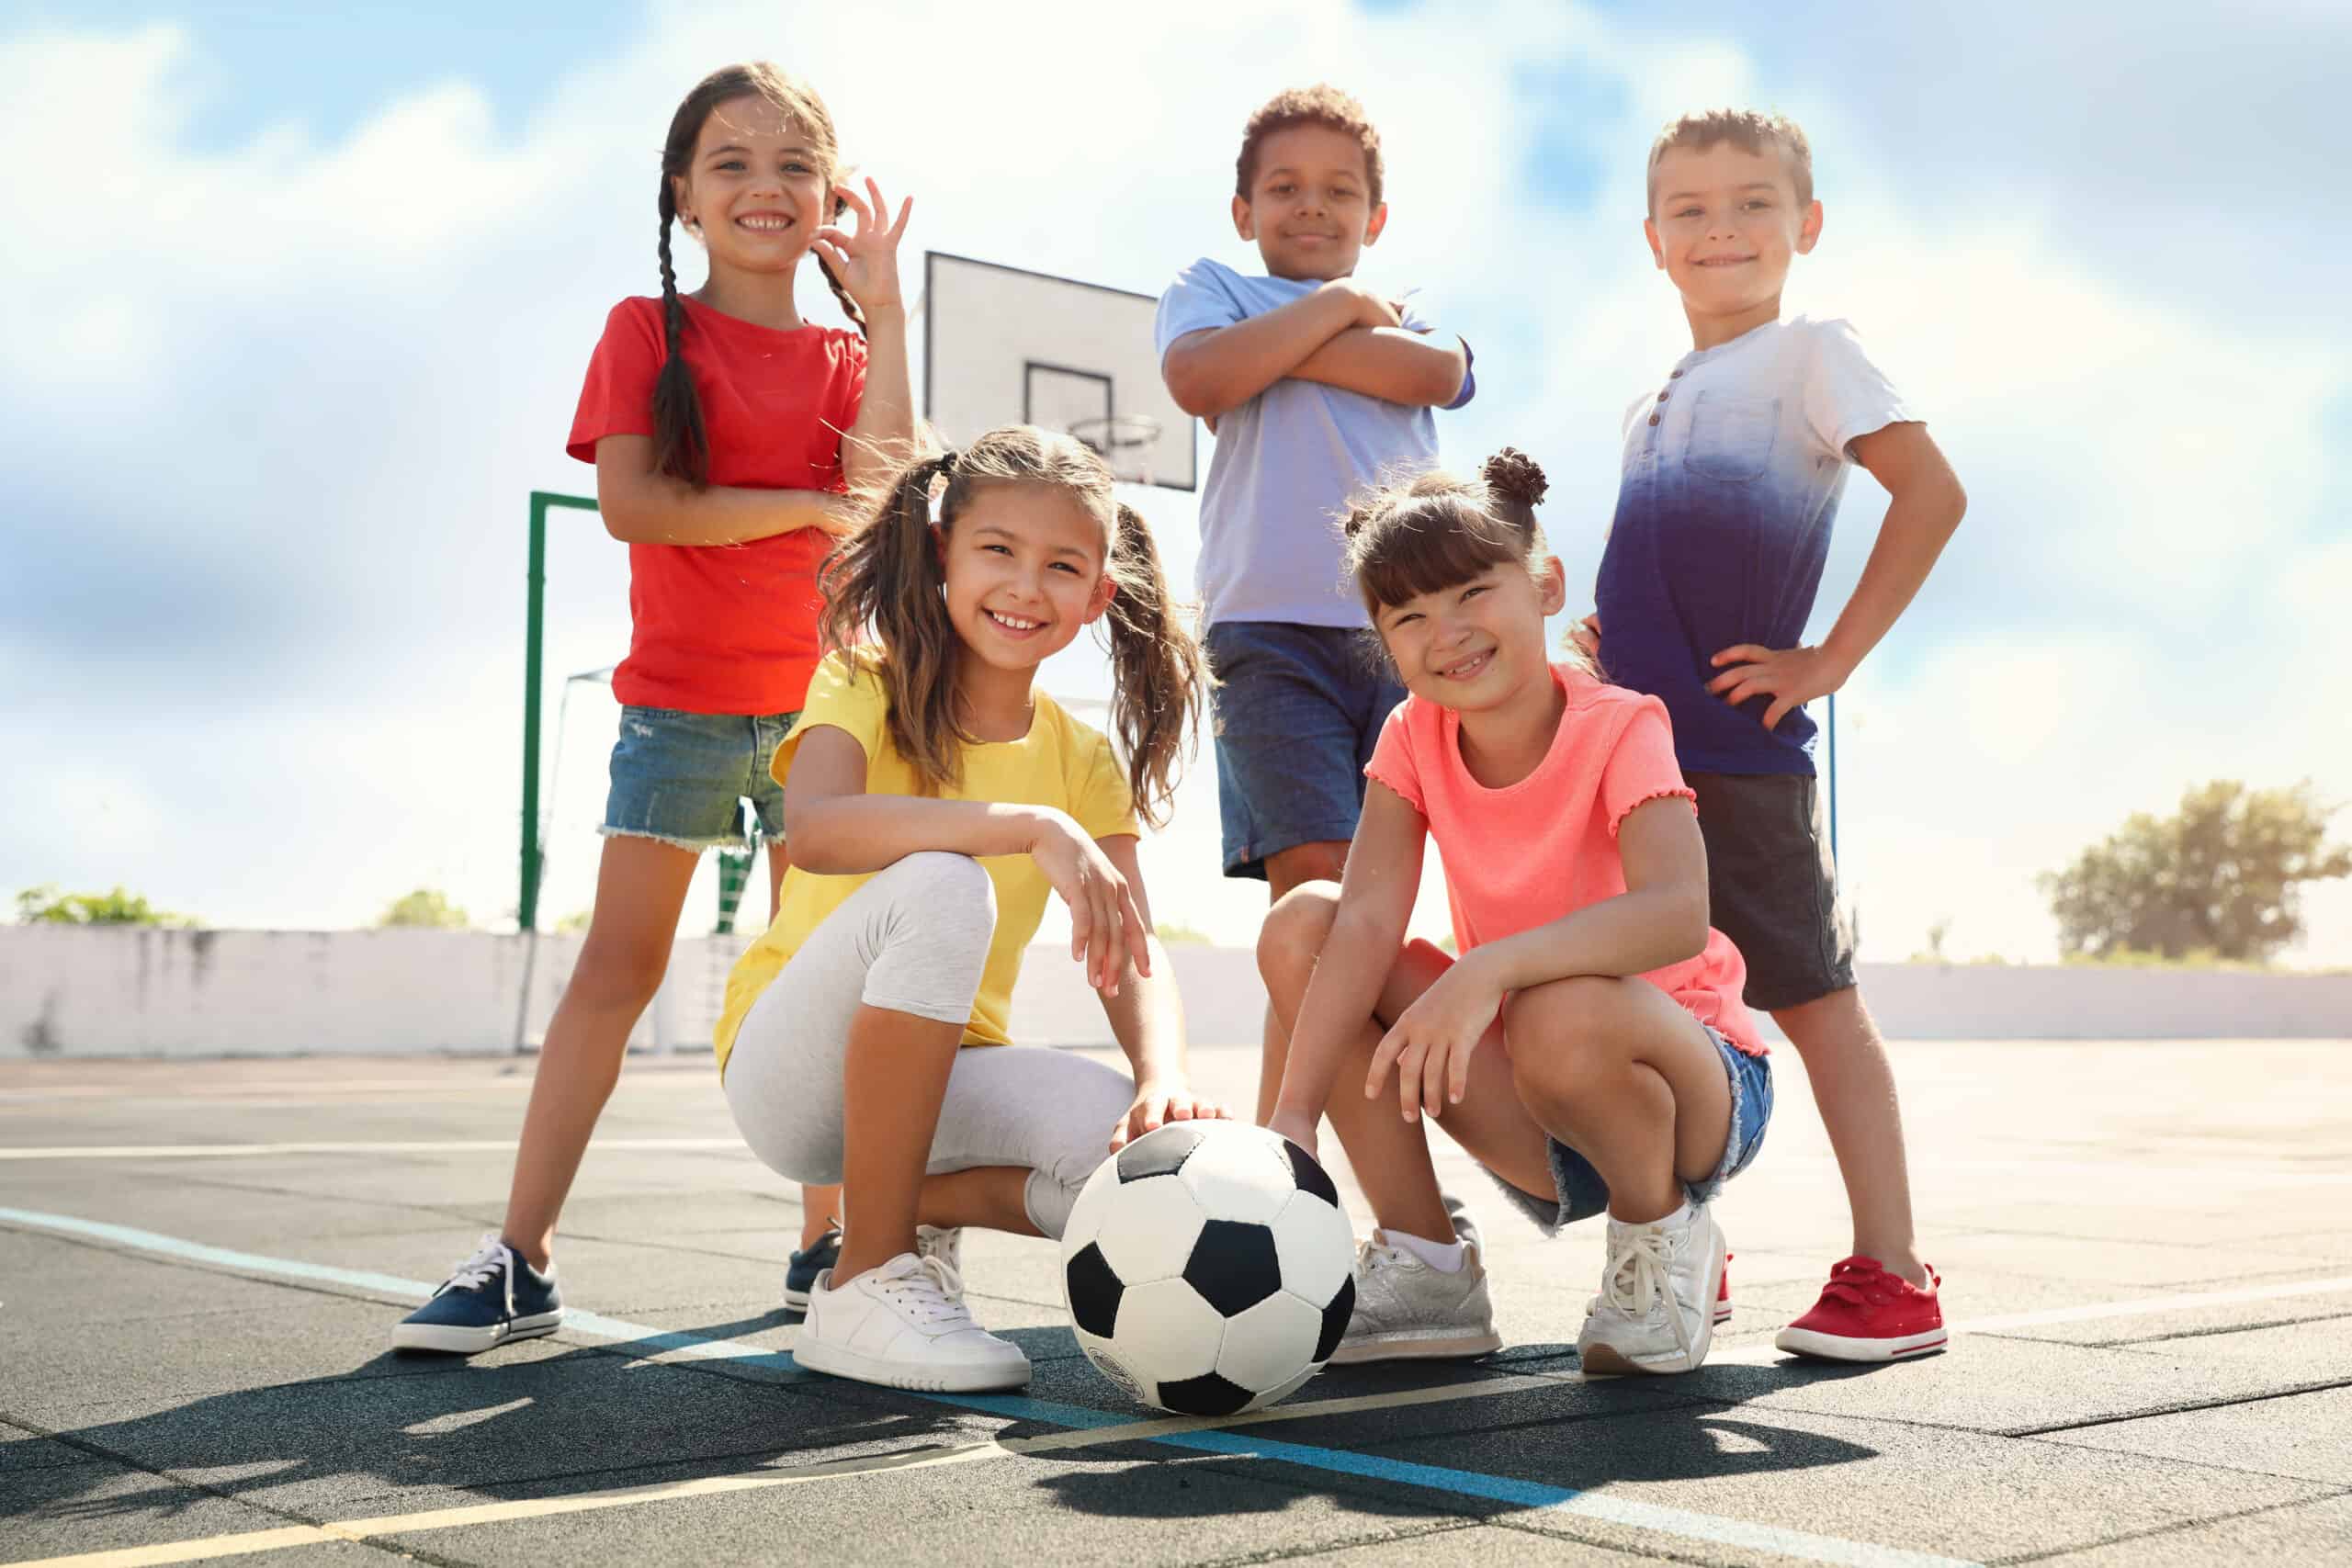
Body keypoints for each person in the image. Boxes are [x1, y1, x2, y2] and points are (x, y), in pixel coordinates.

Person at [393, 62, 912, 1353]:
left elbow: (894, 489)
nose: (764, 186)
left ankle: (828, 1243)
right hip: (678, 709)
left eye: (794, 164)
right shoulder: (646, 330)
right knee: (613, 975)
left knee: (820, 982)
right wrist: (800, 507)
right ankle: (521, 1256)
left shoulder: (850, 354)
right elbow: (637, 505)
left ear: (830, 195)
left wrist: (891, 319)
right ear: (682, 194)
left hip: (821, 717)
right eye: (730, 162)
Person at [713, 425, 1225, 1393]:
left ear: (1096, 597)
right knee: (946, 879)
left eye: (1062, 566)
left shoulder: (1080, 759)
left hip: (947, 1078)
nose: (1027, 587)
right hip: (789, 1069)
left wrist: (1164, 1075)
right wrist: (1024, 825)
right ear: (943, 551)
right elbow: (816, 829)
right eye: (998, 551)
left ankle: (901, 1214)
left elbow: (1134, 943)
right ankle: (862, 1274)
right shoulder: (863, 677)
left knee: (1143, 1167)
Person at [1576, 110, 1966, 1361]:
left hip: (1739, 757)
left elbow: (1934, 491)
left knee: (1813, 998)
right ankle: (1688, 1241)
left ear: (1805, 225)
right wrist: (1606, 640)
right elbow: (1663, 563)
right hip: (1637, 766)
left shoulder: (1814, 353)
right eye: (1690, 210)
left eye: (1751, 203)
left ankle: (1895, 1273)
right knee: (1657, 1008)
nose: (1721, 228)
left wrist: (1831, 659)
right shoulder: (1657, 397)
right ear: (1653, 241)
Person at [1263, 453, 1772, 1376]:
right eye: (1408, 616)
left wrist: (1486, 967)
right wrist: (1290, 1123)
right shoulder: (1411, 735)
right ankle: (1427, 1268)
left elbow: (1675, 916)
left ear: (1544, 586)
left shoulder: (1621, 724)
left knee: (1558, 1005)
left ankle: (1660, 1233)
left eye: (1469, 592)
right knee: (1306, 924)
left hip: (1692, 1081)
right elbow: (1366, 922)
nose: (1445, 631)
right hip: (1535, 1100)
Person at [1155, 83, 1474, 1128]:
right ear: (1242, 210)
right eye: (1283, 188)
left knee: (1363, 924)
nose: (1311, 206)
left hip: (1402, 643)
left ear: (1373, 221)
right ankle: (1293, 1170)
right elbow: (1201, 380)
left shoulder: (1412, 312)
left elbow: (1433, 370)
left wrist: (1279, 345)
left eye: (1340, 192)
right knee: (1314, 902)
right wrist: (1340, 311)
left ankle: (1285, 1158)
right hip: (1270, 637)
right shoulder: (1209, 286)